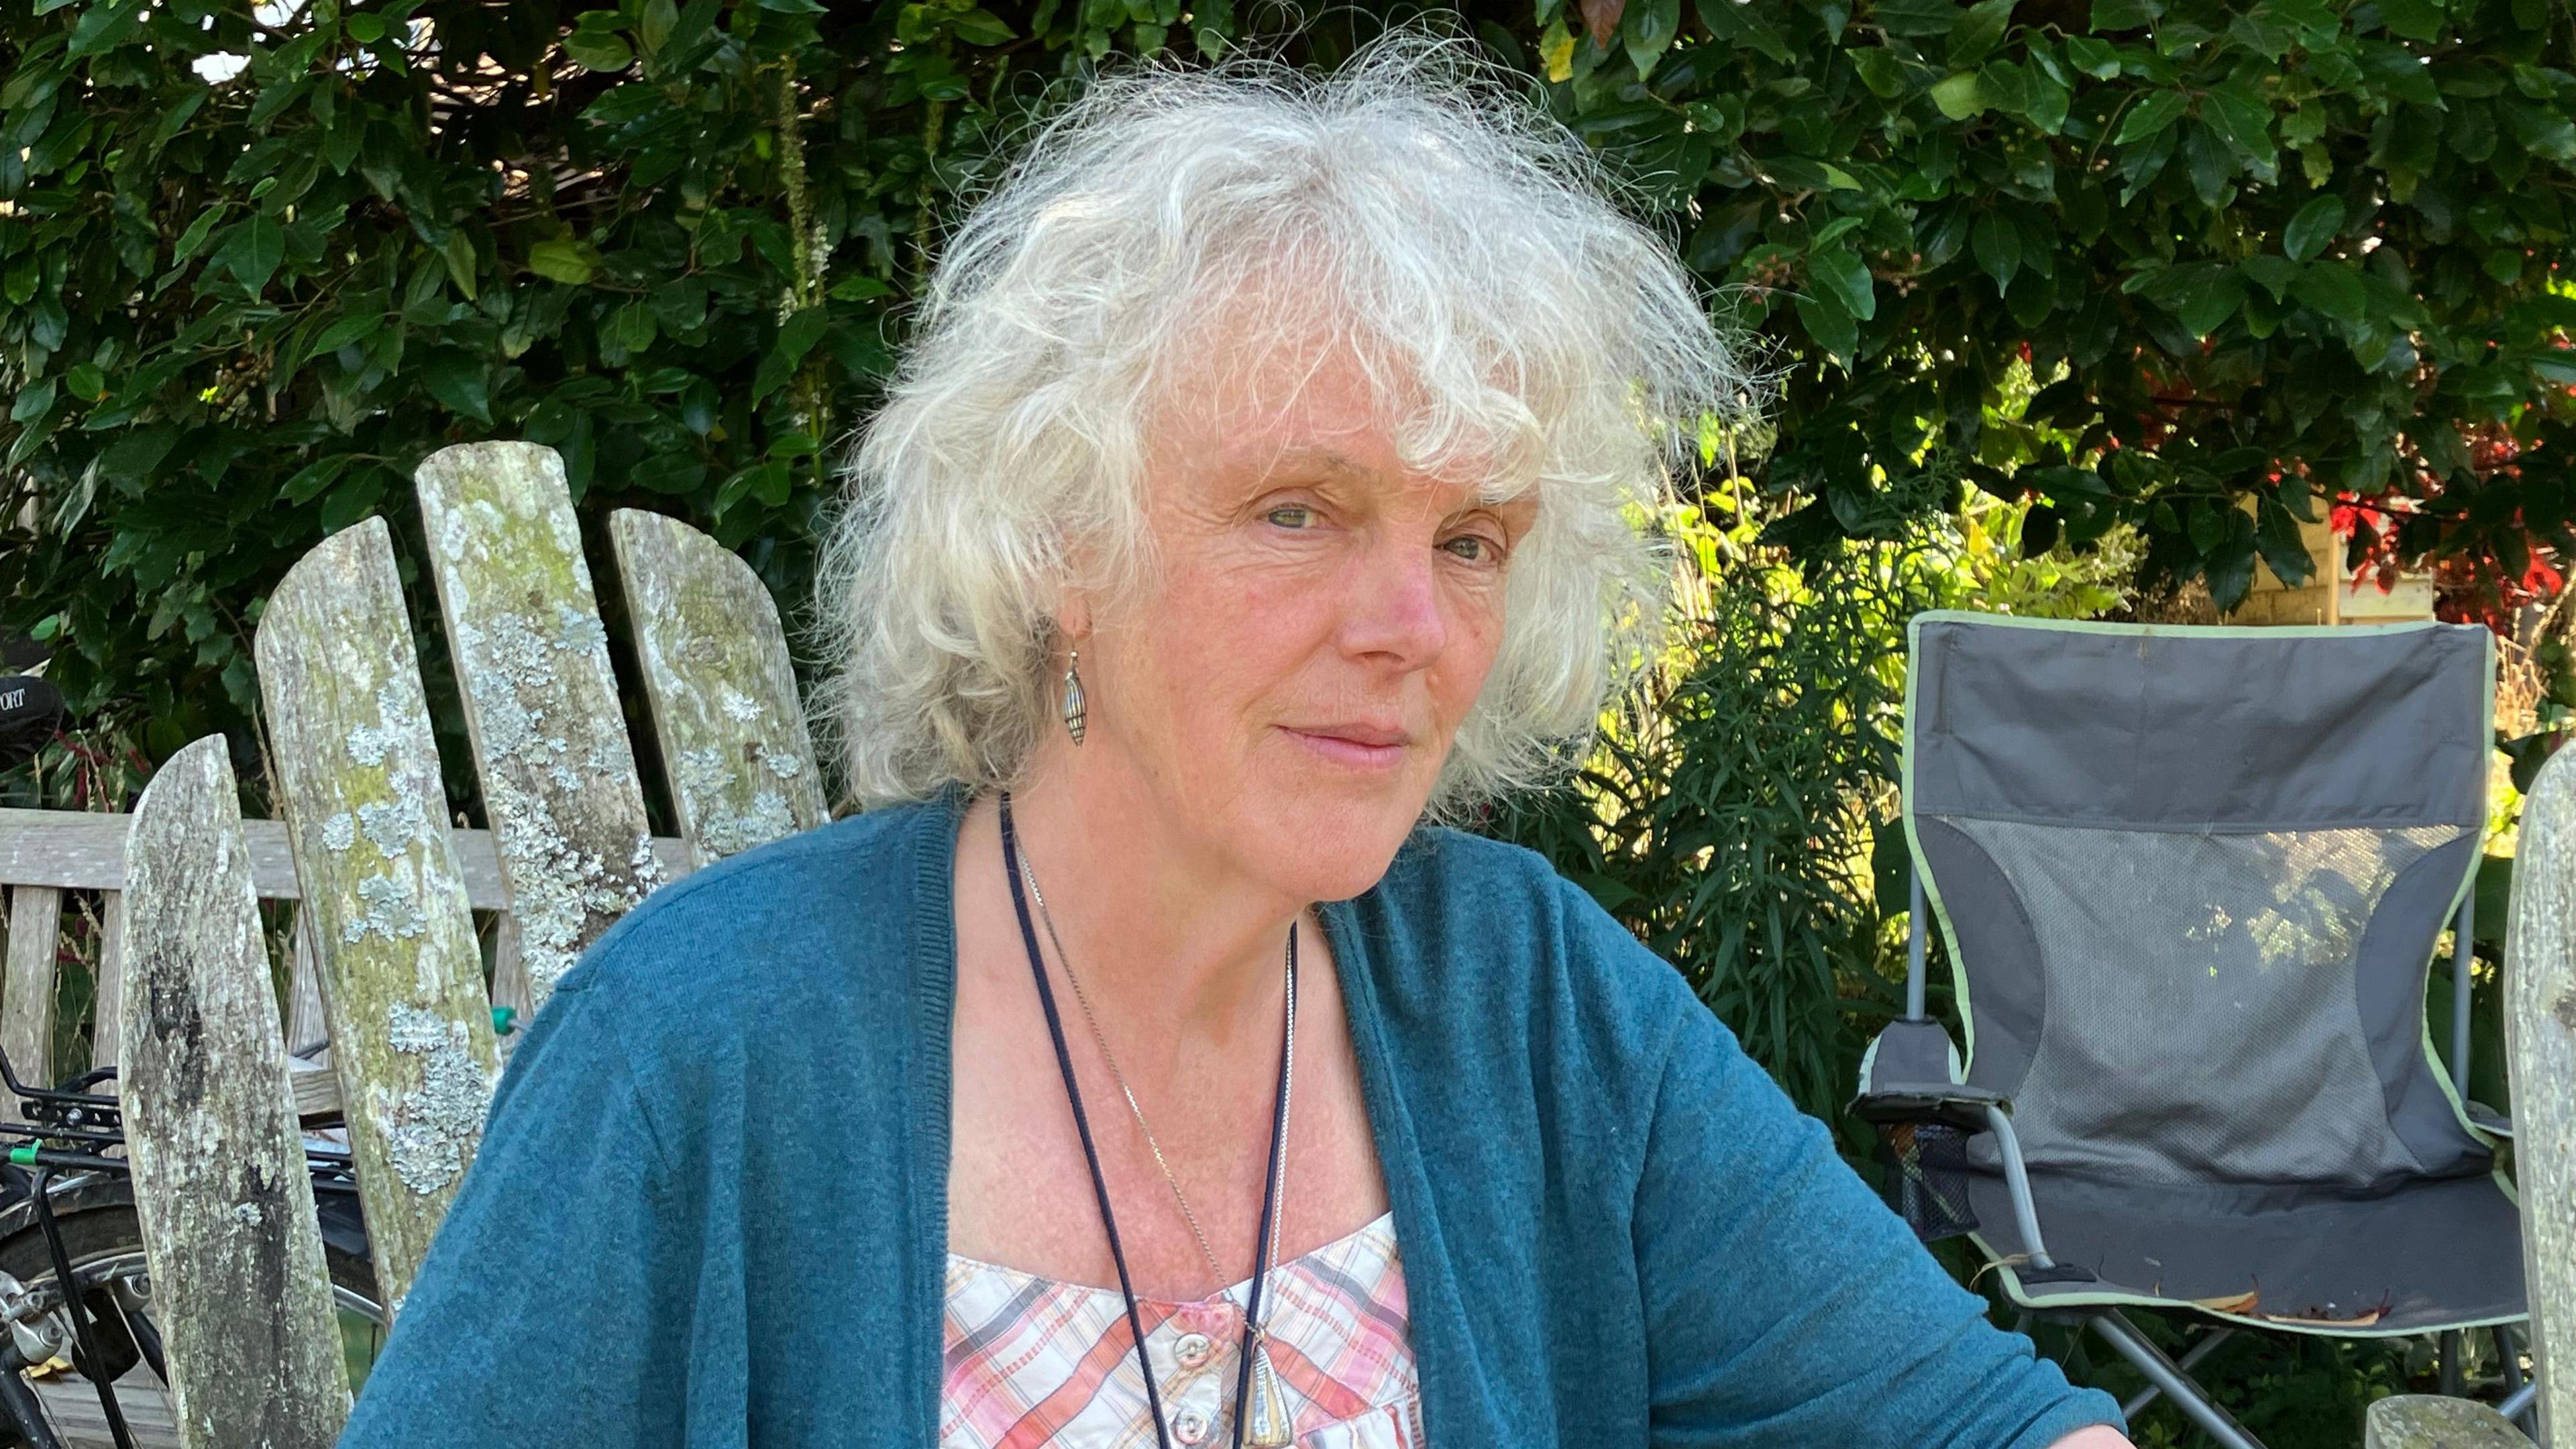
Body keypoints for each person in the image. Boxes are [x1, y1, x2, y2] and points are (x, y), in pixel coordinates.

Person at [340, 32, 2133, 1449]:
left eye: (1469, 539)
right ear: (1060, 545)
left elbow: (1981, 1423)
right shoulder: (702, 1052)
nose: (1408, 628)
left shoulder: (1535, 1009)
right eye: (1297, 510)